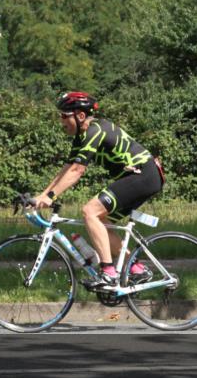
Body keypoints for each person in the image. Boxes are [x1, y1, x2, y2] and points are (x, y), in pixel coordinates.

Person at [32, 91, 164, 288]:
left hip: (143, 175)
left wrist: (51, 196)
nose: (61, 120)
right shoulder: (82, 136)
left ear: (80, 116)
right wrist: (43, 195)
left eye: (64, 115)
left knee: (90, 211)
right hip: (140, 176)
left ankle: (108, 273)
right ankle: (136, 268)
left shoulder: (95, 130)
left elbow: (77, 171)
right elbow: (68, 168)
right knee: (100, 221)